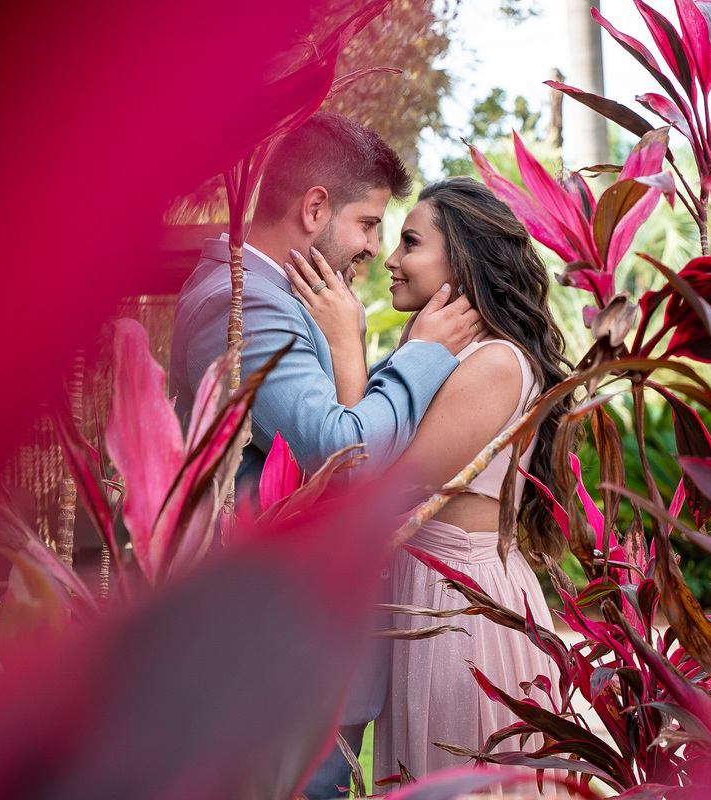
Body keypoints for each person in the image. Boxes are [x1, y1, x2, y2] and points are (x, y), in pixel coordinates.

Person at [169, 113, 484, 799]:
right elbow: (348, 452)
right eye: (370, 224)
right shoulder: (244, 305)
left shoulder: (277, 301)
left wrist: (350, 348)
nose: (375, 248)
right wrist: (422, 353)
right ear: (315, 208)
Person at [286, 176, 568, 780]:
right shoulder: (453, 357)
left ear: (462, 261)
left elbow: (374, 486)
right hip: (426, 599)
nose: (389, 259)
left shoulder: (495, 363)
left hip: (459, 609)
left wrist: (346, 348)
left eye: (410, 242)